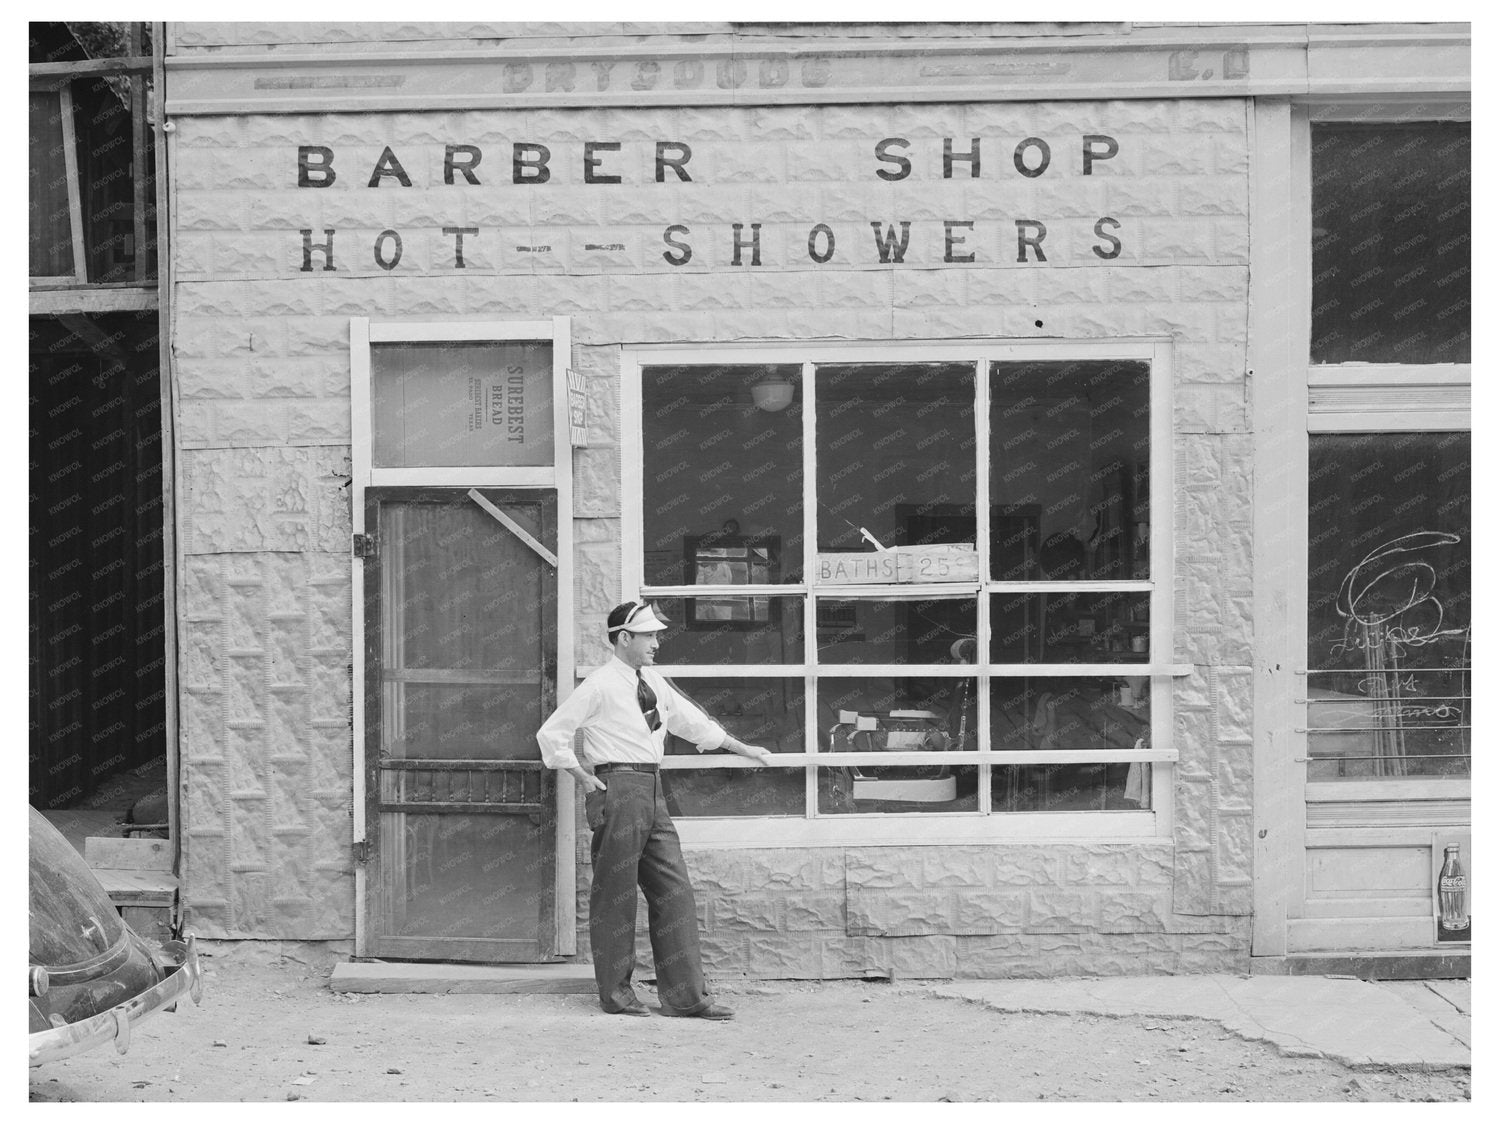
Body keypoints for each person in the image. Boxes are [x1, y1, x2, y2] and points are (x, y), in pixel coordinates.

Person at [535, 599, 773, 1019]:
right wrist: (584, 778)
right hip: (618, 786)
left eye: (656, 635)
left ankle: (686, 998)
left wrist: (741, 747)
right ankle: (617, 996)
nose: (656, 643)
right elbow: (552, 733)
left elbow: (691, 722)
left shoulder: (654, 682)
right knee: (617, 894)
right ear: (624, 638)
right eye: (648, 635)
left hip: (653, 787)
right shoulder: (598, 685)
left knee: (674, 890)